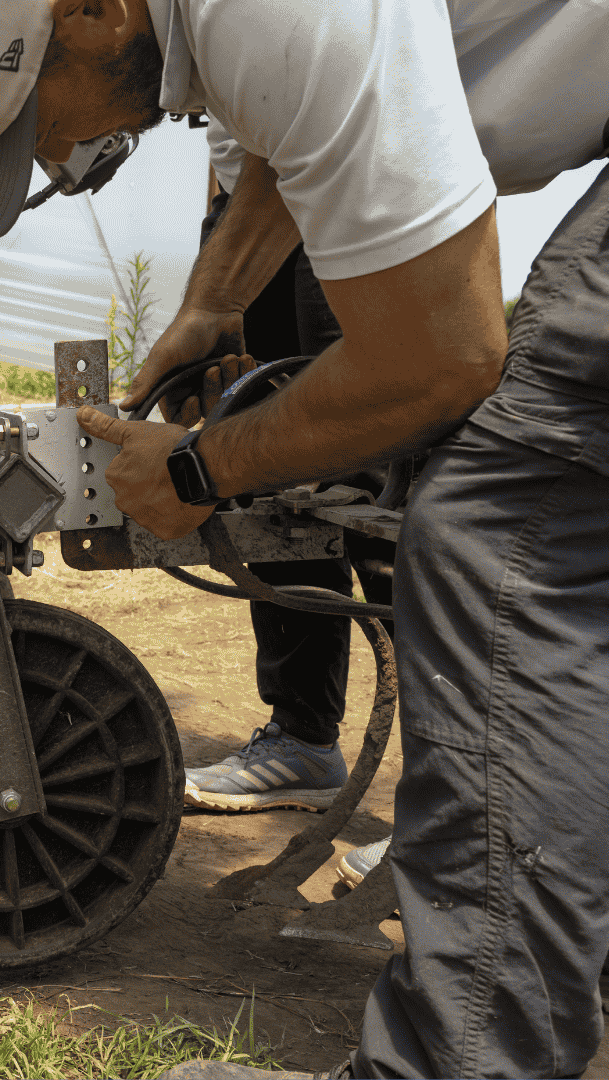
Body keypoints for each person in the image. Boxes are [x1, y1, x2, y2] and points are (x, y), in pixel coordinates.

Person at [0, 1, 609, 1076]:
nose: (59, 150)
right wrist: (215, 306)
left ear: (89, 10)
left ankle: (464, 1060)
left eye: (40, 117)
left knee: (513, 526)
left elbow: (444, 355)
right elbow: (290, 129)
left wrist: (204, 470)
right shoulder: (237, 21)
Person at [175, 124, 401, 818]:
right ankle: (303, 739)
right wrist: (220, 234)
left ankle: (455, 790)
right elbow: (231, 131)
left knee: (373, 483)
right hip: (253, 202)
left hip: (341, 185)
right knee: (270, 477)